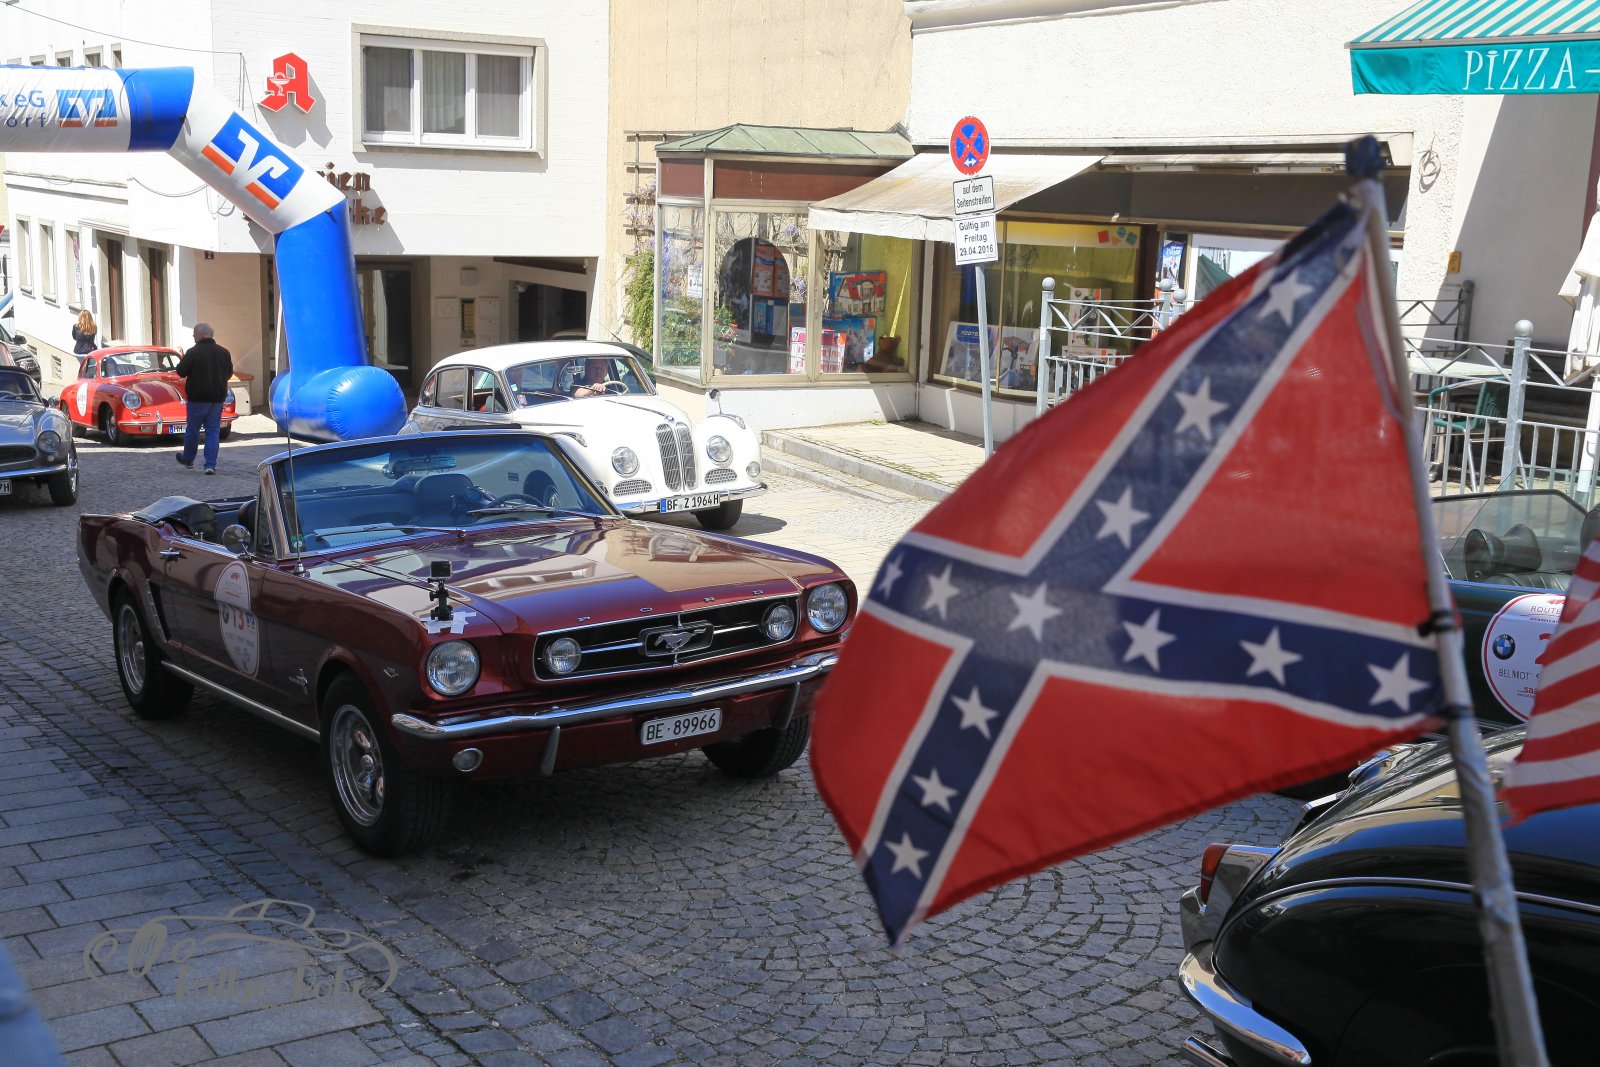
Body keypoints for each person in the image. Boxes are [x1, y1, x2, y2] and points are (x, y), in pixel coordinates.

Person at [174, 322, 233, 474]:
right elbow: (229, 373)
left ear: (201, 334)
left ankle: (188, 459)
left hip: (198, 398)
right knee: (213, 431)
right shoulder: (224, 352)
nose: (193, 336)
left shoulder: (193, 352)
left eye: (194, 333)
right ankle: (210, 465)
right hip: (217, 398)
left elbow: (180, 371)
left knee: (193, 429)